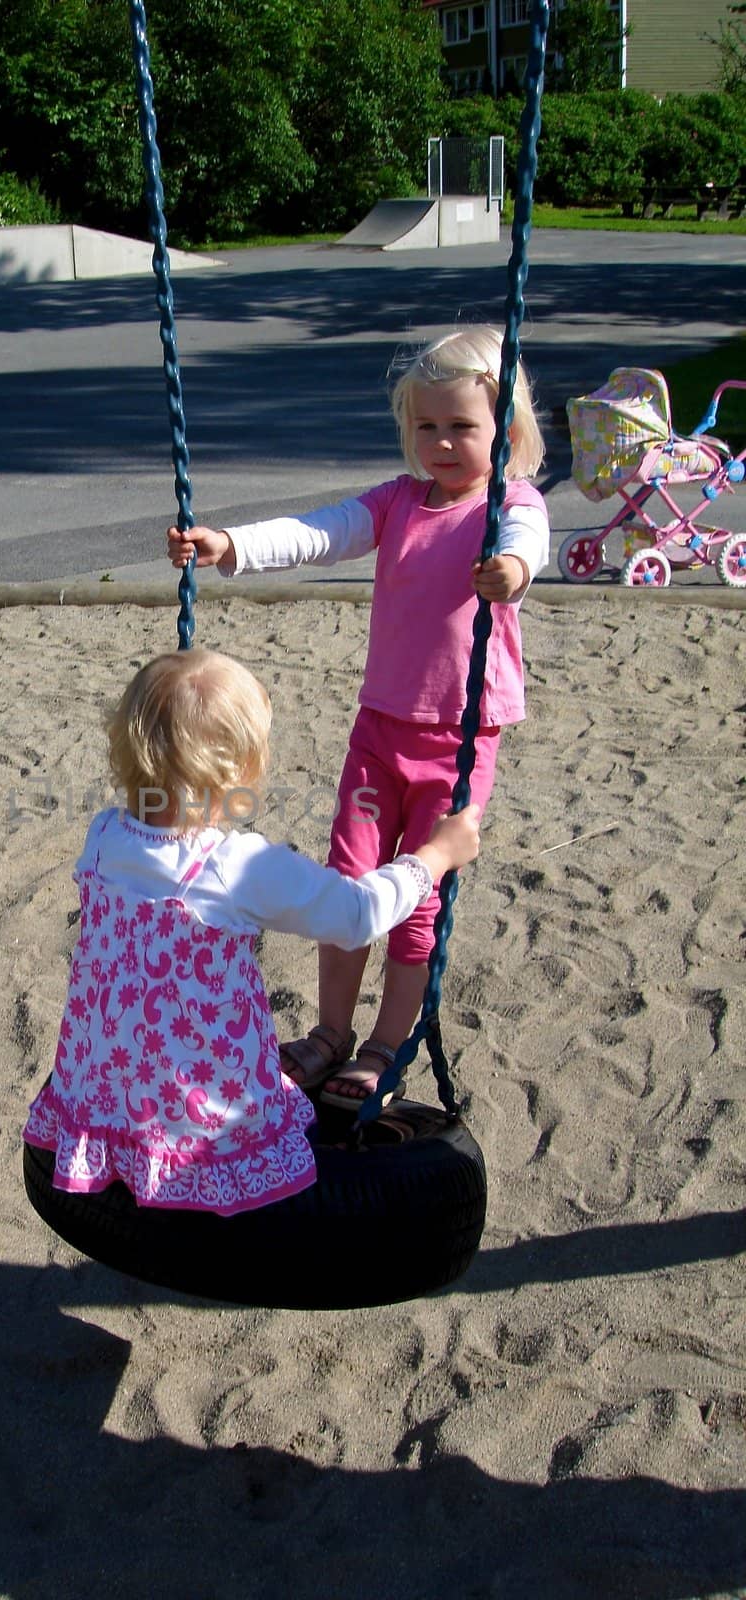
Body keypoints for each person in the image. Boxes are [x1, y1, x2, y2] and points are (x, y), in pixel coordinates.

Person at [165, 324, 548, 1111]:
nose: (442, 443)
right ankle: (333, 1030)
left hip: (457, 742)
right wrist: (229, 544)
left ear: (504, 431)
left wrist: (510, 570)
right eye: (426, 426)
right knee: (348, 883)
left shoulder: (510, 504)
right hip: (379, 733)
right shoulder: (398, 503)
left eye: (463, 426)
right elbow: (319, 531)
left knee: (418, 899)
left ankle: (388, 1040)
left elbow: (527, 543)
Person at [23, 648, 480, 1217]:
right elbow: (357, 915)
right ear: (238, 770)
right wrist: (434, 856)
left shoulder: (104, 836)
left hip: (107, 1100)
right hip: (204, 1118)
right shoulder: (235, 865)